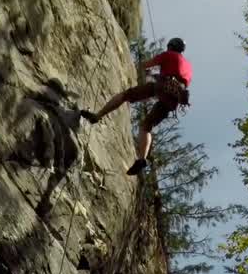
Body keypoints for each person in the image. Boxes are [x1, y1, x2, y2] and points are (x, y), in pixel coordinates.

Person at [80, 37, 192, 175]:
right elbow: (177, 77)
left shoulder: (168, 55)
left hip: (162, 86)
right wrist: (154, 77)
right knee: (146, 126)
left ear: (170, 46)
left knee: (125, 95)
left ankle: (97, 116)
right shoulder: (188, 67)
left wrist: (134, 66)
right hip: (174, 99)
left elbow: (146, 65)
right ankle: (142, 159)